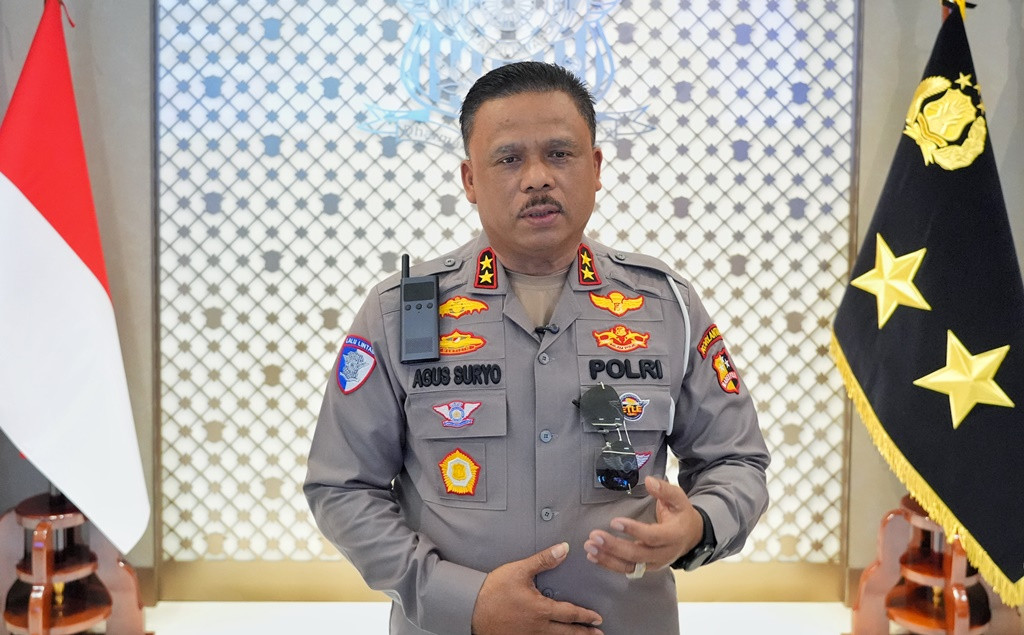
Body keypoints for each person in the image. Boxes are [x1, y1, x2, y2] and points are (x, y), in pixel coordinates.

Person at [305, 61, 770, 634]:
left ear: (595, 168)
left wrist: (699, 525)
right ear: (469, 179)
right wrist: (463, 601)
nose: (536, 178)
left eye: (559, 154)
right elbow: (342, 487)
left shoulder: (666, 305)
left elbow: (736, 461)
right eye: (508, 159)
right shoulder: (399, 312)